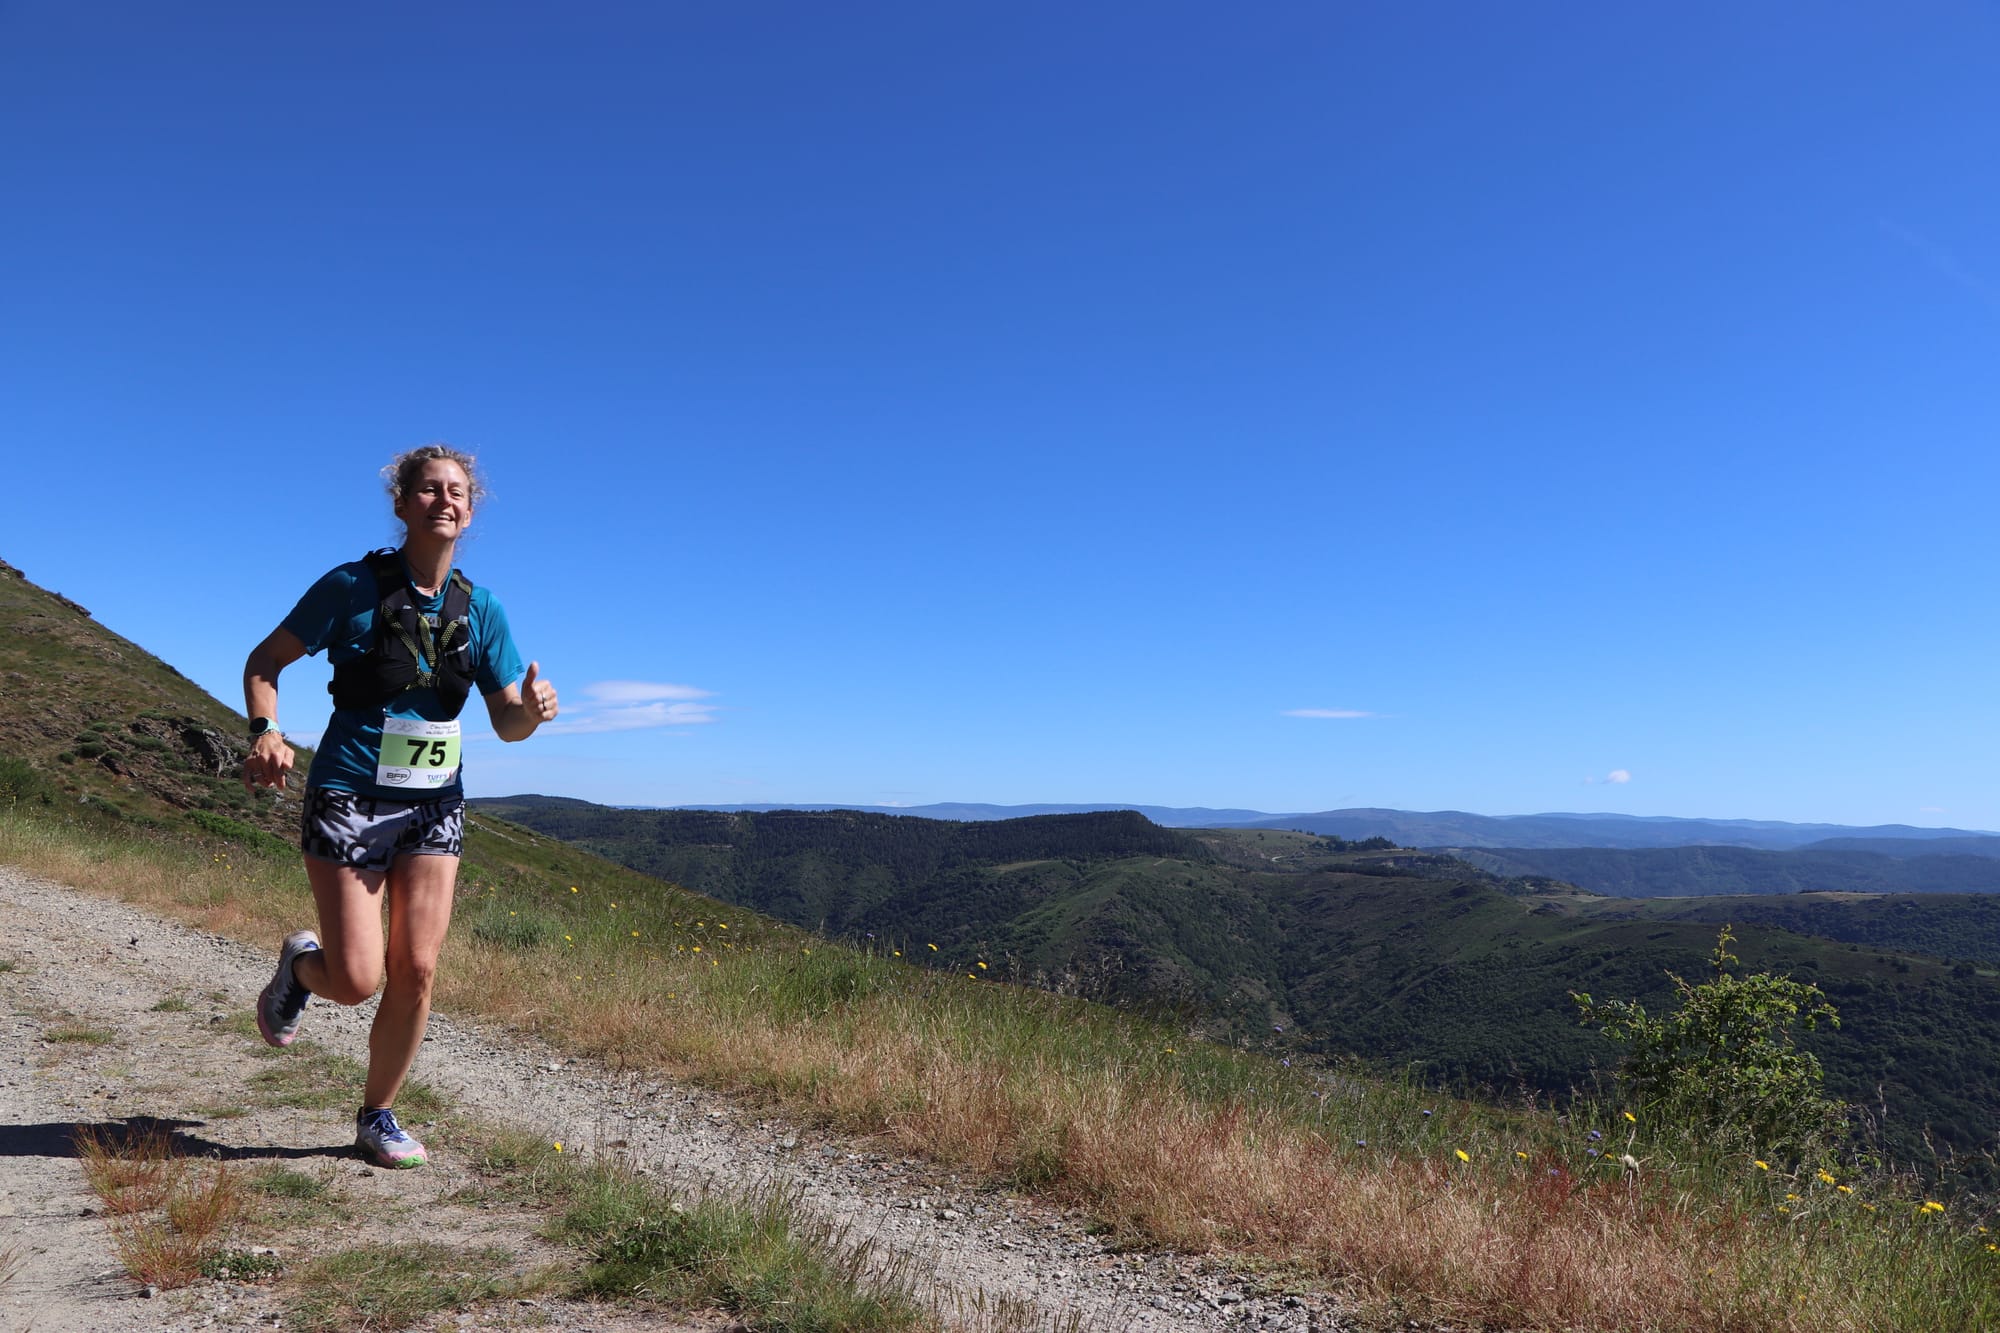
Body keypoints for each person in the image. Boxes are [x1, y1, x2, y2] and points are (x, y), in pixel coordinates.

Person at [240, 445, 558, 1168]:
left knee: (416, 967)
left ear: (470, 510)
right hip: (349, 795)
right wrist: (266, 730)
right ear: (403, 504)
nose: (445, 500)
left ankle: (376, 1113)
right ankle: (300, 970)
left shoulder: (483, 611)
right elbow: (264, 662)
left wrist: (532, 713)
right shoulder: (350, 587)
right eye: (429, 489)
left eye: (457, 491)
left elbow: (506, 718)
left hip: (434, 806)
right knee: (357, 980)